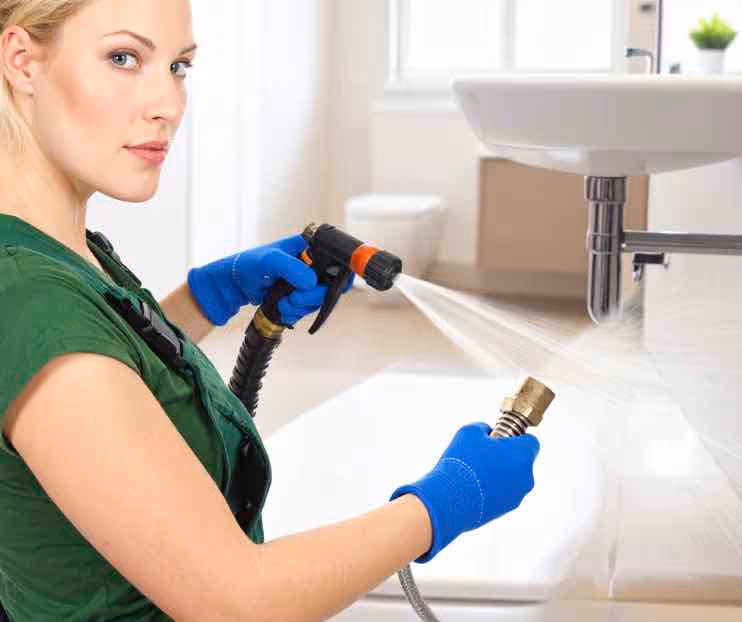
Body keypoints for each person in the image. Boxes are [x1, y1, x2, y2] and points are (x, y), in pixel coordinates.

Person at [0, 1, 542, 620]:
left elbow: (115, 382)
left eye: (178, 67)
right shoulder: (30, 301)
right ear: (22, 61)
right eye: (123, 58)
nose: (169, 106)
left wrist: (210, 296)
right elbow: (239, 601)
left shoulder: (62, 252)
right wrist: (442, 504)